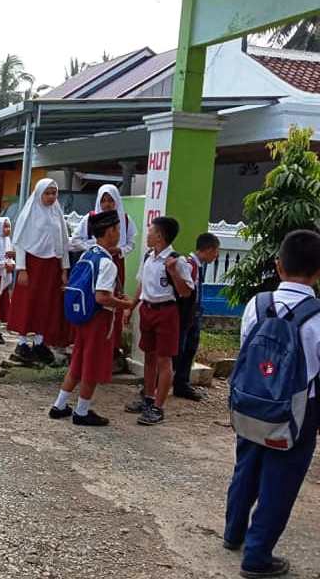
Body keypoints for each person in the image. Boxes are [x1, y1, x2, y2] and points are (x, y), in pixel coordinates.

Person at [222, 229, 320, 578]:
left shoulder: (257, 304)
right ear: (318, 271)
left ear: (278, 265)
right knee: (280, 481)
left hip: (249, 403)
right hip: (295, 414)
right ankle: (257, 557)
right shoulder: (317, 316)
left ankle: (233, 533)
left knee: (246, 466)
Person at [49, 210, 136, 426]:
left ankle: (59, 405)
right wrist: (126, 304)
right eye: (116, 229)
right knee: (91, 365)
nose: (118, 233)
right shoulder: (107, 263)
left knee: (78, 361)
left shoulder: (88, 254)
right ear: (109, 232)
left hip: (83, 316)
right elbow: (102, 297)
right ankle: (82, 411)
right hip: (99, 319)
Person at [126, 216, 194, 426]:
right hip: (148, 309)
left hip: (166, 312)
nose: (148, 233)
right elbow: (141, 284)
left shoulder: (176, 261)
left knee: (165, 360)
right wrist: (131, 306)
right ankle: (147, 397)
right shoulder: (149, 256)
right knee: (149, 356)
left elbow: (185, 292)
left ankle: (158, 406)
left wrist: (173, 272)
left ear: (160, 236)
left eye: (151, 231)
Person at [71, 184, 137, 364]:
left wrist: (120, 250)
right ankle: (90, 344)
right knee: (94, 300)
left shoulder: (125, 219)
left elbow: (131, 243)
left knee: (113, 301)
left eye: (110, 200)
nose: (107, 204)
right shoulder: (90, 218)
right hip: (94, 263)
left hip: (116, 262)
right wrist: (96, 247)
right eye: (104, 200)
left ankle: (112, 347)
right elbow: (75, 240)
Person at [8, 178, 71, 365]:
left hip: (52, 265)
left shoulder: (57, 213)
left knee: (47, 304)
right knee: (28, 302)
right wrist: (22, 268)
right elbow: (19, 242)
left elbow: (63, 243)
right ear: (39, 193)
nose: (51, 197)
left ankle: (39, 343)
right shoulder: (29, 214)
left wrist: (64, 269)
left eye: (54, 193)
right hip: (32, 265)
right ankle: (22, 343)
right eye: (48, 193)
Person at [172, 232, 221, 401]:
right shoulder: (189, 265)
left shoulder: (197, 266)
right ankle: (160, 383)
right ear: (208, 249)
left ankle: (181, 383)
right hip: (186, 314)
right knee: (178, 350)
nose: (217, 255)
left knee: (190, 349)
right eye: (216, 251)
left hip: (195, 312)